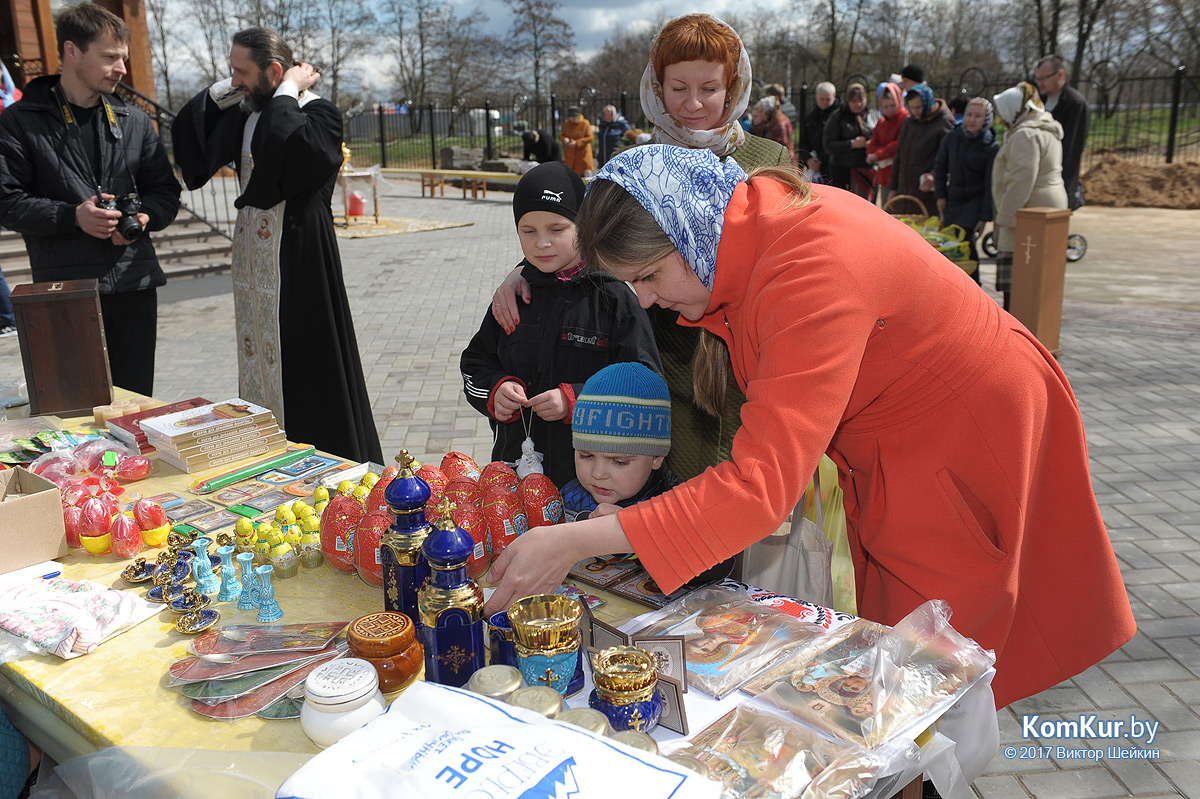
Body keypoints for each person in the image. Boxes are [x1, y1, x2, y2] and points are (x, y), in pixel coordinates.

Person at [485, 144, 1136, 711]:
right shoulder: (741, 225)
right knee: (896, 650)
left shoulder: (810, 270)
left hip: (961, 439)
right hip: (899, 440)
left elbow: (758, 487)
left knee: (928, 670)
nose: (648, 302)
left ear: (689, 233)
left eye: (650, 277)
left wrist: (572, 540)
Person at [494, 13, 790, 486]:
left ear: (733, 87)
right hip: (663, 347)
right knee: (671, 481)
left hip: (743, 351)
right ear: (656, 85)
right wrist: (523, 272)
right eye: (678, 88)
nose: (693, 104)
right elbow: (590, 239)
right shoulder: (636, 165)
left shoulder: (767, 160)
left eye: (709, 88)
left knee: (742, 481)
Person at [172, 27, 381, 463]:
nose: (234, 81)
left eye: (241, 71)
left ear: (273, 70)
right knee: (261, 363)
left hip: (302, 264)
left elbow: (282, 155)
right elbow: (191, 143)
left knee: (308, 365)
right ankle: (270, 453)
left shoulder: (319, 114)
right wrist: (227, 89)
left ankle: (326, 459)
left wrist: (286, 90)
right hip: (253, 264)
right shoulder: (246, 114)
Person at [0, 3, 180, 394]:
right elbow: (6, 202)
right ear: (72, 51)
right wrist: (72, 216)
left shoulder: (134, 120)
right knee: (74, 414)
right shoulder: (18, 122)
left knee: (133, 407)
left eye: (124, 59)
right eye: (110, 57)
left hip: (134, 286)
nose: (121, 69)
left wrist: (144, 219)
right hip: (65, 292)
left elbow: (166, 193)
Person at [459, 163, 660, 488]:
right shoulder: (512, 297)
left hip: (592, 487)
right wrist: (495, 392)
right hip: (515, 479)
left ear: (582, 227)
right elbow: (474, 365)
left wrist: (577, 400)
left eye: (557, 229)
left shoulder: (613, 299)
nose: (542, 243)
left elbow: (646, 384)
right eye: (529, 231)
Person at [560, 362, 677, 522]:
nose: (598, 473)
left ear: (656, 458)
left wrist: (632, 530)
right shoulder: (569, 497)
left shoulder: (674, 511)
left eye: (619, 462)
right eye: (586, 456)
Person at [991, 82, 1068, 311]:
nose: (1001, 118)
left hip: (1026, 214)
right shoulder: (1044, 129)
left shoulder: (1025, 134)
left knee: (1018, 282)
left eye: (1002, 112)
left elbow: (1021, 180)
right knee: (1041, 281)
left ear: (1015, 109)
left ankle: (1018, 331)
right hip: (1047, 207)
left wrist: (1004, 217)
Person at [933, 97, 998, 284]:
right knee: (950, 242)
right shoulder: (953, 137)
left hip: (974, 202)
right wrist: (940, 196)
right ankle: (952, 285)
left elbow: (990, 183)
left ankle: (974, 285)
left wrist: (984, 216)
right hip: (953, 199)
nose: (972, 120)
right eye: (969, 115)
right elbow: (940, 166)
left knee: (966, 241)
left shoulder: (991, 146)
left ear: (986, 119)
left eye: (978, 116)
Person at [889, 83, 954, 215]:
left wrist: (934, 175)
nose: (915, 111)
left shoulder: (944, 123)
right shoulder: (908, 122)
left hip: (928, 195)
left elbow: (949, 158)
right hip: (904, 192)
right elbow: (899, 156)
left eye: (918, 107)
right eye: (911, 107)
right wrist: (893, 188)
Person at [1035, 54, 1090, 209]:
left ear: (1060, 74)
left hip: (1059, 179)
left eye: (1044, 78)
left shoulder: (1075, 104)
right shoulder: (1040, 101)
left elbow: (1071, 150)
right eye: (1038, 79)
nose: (1040, 83)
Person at [823, 83, 874, 197]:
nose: (858, 104)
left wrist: (871, 143)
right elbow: (828, 145)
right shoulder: (837, 116)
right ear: (848, 101)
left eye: (861, 100)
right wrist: (852, 144)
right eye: (854, 101)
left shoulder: (872, 115)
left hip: (865, 168)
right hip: (842, 169)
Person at [866, 82, 908, 204]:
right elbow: (872, 146)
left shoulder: (905, 119)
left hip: (899, 177)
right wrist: (881, 152)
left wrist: (878, 154)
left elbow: (899, 144)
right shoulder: (882, 122)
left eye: (892, 105)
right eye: (885, 107)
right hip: (884, 177)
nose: (889, 110)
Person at [797, 82, 839, 184]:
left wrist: (822, 159)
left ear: (834, 97)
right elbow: (803, 143)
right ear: (816, 97)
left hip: (834, 167)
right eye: (821, 99)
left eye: (828, 99)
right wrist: (809, 159)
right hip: (814, 167)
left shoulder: (840, 116)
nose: (824, 102)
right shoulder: (811, 118)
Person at [749, 96, 795, 165]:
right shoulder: (769, 122)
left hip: (782, 161)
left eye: (761, 111)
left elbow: (782, 146)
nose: (759, 113)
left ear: (767, 112)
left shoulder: (780, 124)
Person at [559, 106, 594, 176]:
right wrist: (564, 139)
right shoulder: (567, 123)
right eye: (571, 118)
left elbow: (590, 137)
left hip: (583, 155)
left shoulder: (585, 123)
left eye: (575, 118)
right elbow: (561, 135)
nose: (573, 120)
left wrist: (577, 143)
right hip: (570, 157)